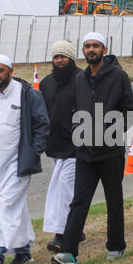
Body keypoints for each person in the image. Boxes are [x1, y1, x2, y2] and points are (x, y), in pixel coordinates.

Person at [51, 32, 133, 264]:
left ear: (104, 48)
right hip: (84, 153)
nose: (91, 50)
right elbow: (74, 109)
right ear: (83, 51)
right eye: (87, 46)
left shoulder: (118, 76)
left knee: (113, 200)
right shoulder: (80, 78)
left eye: (95, 46)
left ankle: (116, 246)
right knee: (79, 201)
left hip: (110, 151)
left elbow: (131, 110)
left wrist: (110, 131)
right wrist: (76, 132)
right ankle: (69, 252)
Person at [0, 54, 49, 264]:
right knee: (12, 205)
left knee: (5, 204)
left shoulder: (27, 94)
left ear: (11, 70)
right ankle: (24, 250)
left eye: (0, 70)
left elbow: (42, 126)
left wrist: (33, 153)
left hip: (19, 164)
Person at [40, 41, 86, 252]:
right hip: (54, 146)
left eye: (63, 57)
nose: (59, 60)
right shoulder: (46, 83)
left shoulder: (82, 79)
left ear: (72, 58)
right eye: (56, 57)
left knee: (63, 189)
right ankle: (77, 229)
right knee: (68, 189)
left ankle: (63, 234)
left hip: (75, 147)